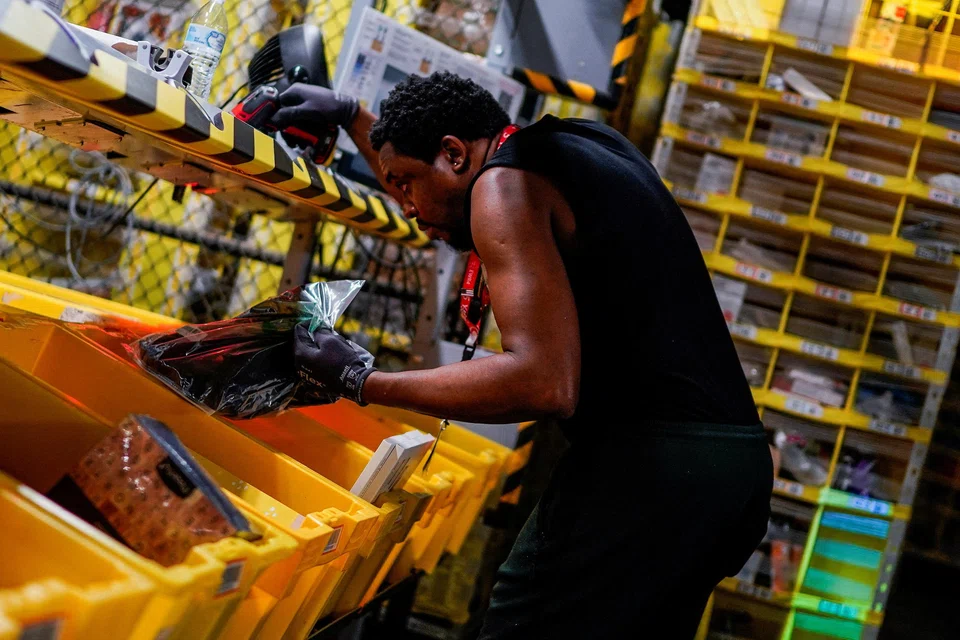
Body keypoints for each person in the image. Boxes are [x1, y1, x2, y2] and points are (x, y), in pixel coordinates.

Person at [271, 71, 773, 639]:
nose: (406, 207)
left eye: (405, 183)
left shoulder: (504, 186)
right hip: (730, 474)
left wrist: (361, 379)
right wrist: (350, 114)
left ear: (456, 154)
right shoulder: (579, 143)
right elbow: (428, 179)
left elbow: (543, 383)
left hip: (655, 473)